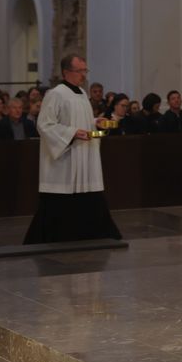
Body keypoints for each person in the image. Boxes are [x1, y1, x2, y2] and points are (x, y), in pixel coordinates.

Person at [23, 54, 121, 244]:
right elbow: (44, 125)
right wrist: (72, 133)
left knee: (89, 196)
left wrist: (94, 123)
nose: (84, 75)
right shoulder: (56, 94)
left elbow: (79, 122)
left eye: (85, 70)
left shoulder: (82, 94)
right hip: (65, 159)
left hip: (84, 155)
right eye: (80, 71)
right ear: (67, 72)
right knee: (59, 203)